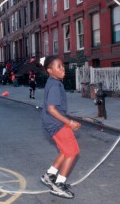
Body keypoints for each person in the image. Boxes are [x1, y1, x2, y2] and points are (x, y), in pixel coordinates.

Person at [40, 56, 81, 199]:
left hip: (51, 123)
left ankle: (50, 175)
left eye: (62, 65)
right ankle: (59, 184)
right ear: (50, 70)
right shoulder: (55, 85)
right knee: (73, 151)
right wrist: (69, 122)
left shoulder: (53, 82)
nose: (62, 68)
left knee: (65, 149)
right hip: (57, 123)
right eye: (58, 66)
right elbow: (51, 108)